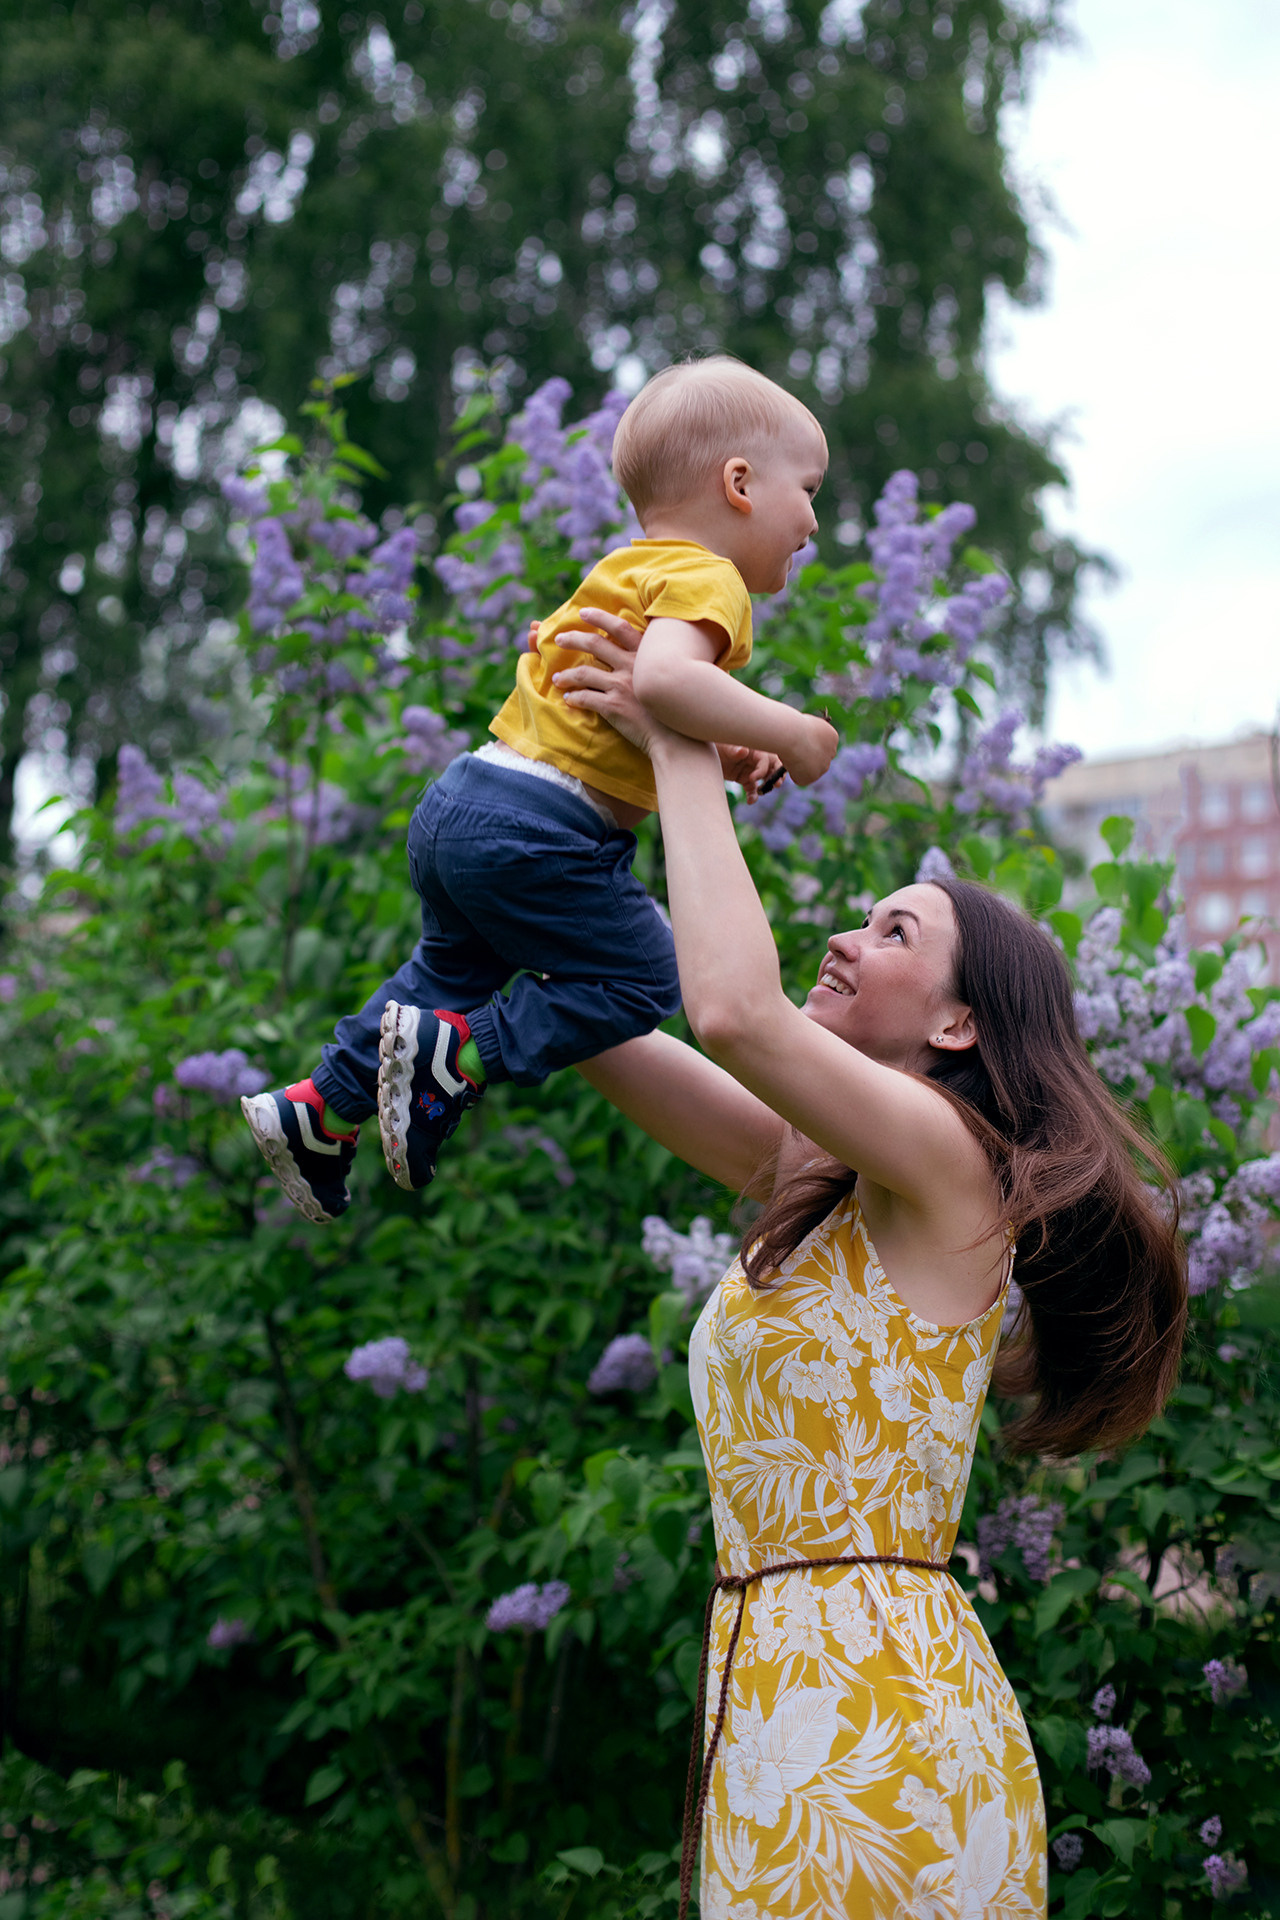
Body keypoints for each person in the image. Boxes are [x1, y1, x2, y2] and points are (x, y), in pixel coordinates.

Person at [551, 613, 1187, 1918]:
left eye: (894, 934)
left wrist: (687, 731)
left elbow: (731, 1010)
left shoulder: (953, 1168)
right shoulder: (825, 1178)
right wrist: (564, 782)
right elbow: (586, 1013)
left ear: (960, 1021)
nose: (846, 937)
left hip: (883, 1742)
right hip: (777, 1728)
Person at [241, 356, 838, 1224]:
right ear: (739, 484)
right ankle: (466, 1057)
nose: (813, 521)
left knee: (447, 976)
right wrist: (796, 733)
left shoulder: (626, 569)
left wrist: (730, 752)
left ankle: (319, 1110)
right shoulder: (709, 580)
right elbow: (666, 687)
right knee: (644, 976)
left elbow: (625, 713)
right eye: (809, 491)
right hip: (542, 831)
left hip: (470, 802)